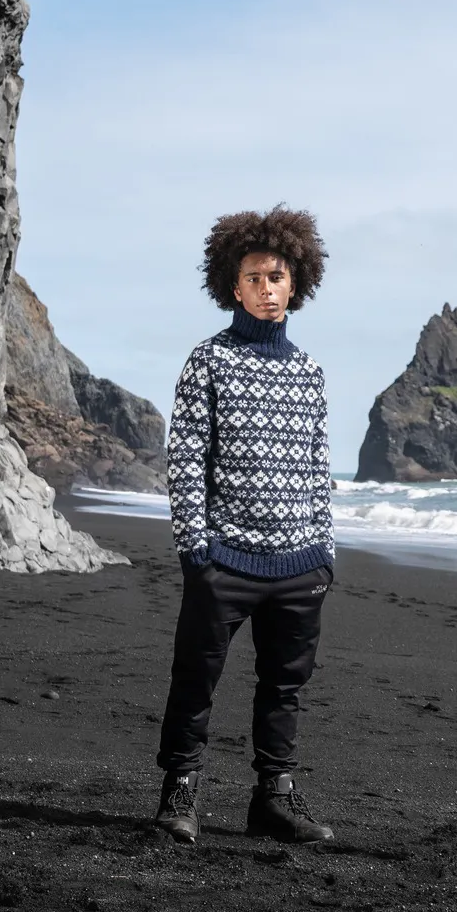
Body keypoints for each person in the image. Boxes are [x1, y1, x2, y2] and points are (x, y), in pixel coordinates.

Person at [153, 206, 336, 845]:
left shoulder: (309, 371)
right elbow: (184, 460)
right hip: (223, 562)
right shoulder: (208, 361)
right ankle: (180, 792)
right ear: (234, 286)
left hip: (299, 567)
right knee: (195, 680)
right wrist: (196, 552)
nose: (266, 288)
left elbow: (318, 466)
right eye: (254, 278)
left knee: (284, 688)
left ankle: (274, 798)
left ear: (296, 284)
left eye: (277, 277)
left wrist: (324, 554)